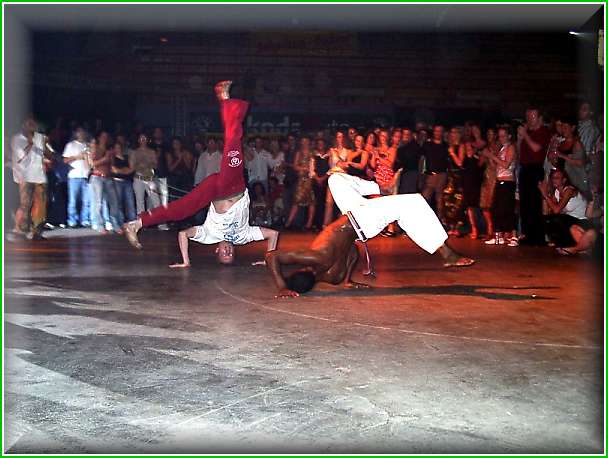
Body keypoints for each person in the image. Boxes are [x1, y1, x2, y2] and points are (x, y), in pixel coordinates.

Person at [124, 81, 279, 266]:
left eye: (224, 254)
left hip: (216, 189)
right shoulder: (244, 237)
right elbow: (273, 234)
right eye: (230, 254)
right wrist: (269, 259)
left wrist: (186, 262)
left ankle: (136, 223)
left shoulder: (208, 236)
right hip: (233, 185)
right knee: (233, 142)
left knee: (180, 210)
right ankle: (225, 100)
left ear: (217, 250)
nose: (227, 251)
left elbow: (183, 234)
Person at [266, 171, 474, 298]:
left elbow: (353, 252)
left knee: (335, 179)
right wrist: (282, 286)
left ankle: (381, 188)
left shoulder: (334, 278)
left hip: (354, 213)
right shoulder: (316, 258)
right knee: (413, 202)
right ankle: (446, 253)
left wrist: (348, 280)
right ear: (304, 269)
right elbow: (271, 256)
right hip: (361, 221)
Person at [11, 117, 52, 239]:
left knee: (41, 205)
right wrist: (30, 142)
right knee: (25, 204)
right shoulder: (17, 139)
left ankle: (36, 232)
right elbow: (20, 158)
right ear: (23, 125)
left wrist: (45, 147)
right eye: (29, 124)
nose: (32, 126)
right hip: (24, 175)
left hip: (39, 175)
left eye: (33, 124)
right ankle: (19, 230)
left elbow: (50, 154)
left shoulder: (41, 138)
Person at [539, 168, 597, 255]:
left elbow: (556, 210)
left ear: (564, 180)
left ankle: (577, 247)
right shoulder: (557, 192)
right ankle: (577, 246)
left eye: (557, 178)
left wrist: (545, 195)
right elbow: (546, 213)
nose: (554, 180)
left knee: (559, 219)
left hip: (581, 221)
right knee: (549, 220)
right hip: (569, 221)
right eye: (553, 178)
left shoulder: (569, 190)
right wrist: (544, 196)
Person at [517, 107, 551, 245]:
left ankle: (537, 237)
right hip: (525, 168)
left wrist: (525, 135)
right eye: (528, 116)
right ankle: (527, 235)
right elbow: (520, 153)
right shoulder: (528, 133)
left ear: (540, 118)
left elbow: (537, 149)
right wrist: (520, 139)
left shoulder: (543, 132)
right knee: (525, 204)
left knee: (534, 204)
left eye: (533, 116)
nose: (529, 120)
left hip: (535, 168)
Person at [483, 126, 518, 246]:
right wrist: (490, 156)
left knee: (508, 208)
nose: (501, 138)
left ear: (509, 136)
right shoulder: (502, 148)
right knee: (496, 209)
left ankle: (513, 236)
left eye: (504, 135)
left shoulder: (511, 147)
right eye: (500, 136)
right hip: (499, 180)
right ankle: (498, 236)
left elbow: (506, 164)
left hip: (507, 182)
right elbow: (496, 167)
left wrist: (492, 156)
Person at [62, 126, 92, 228]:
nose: (82, 134)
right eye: (80, 132)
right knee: (73, 200)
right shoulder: (70, 145)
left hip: (86, 176)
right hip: (74, 176)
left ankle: (84, 220)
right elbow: (65, 160)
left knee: (86, 201)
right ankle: (72, 221)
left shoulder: (88, 146)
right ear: (76, 134)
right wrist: (77, 157)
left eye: (83, 132)